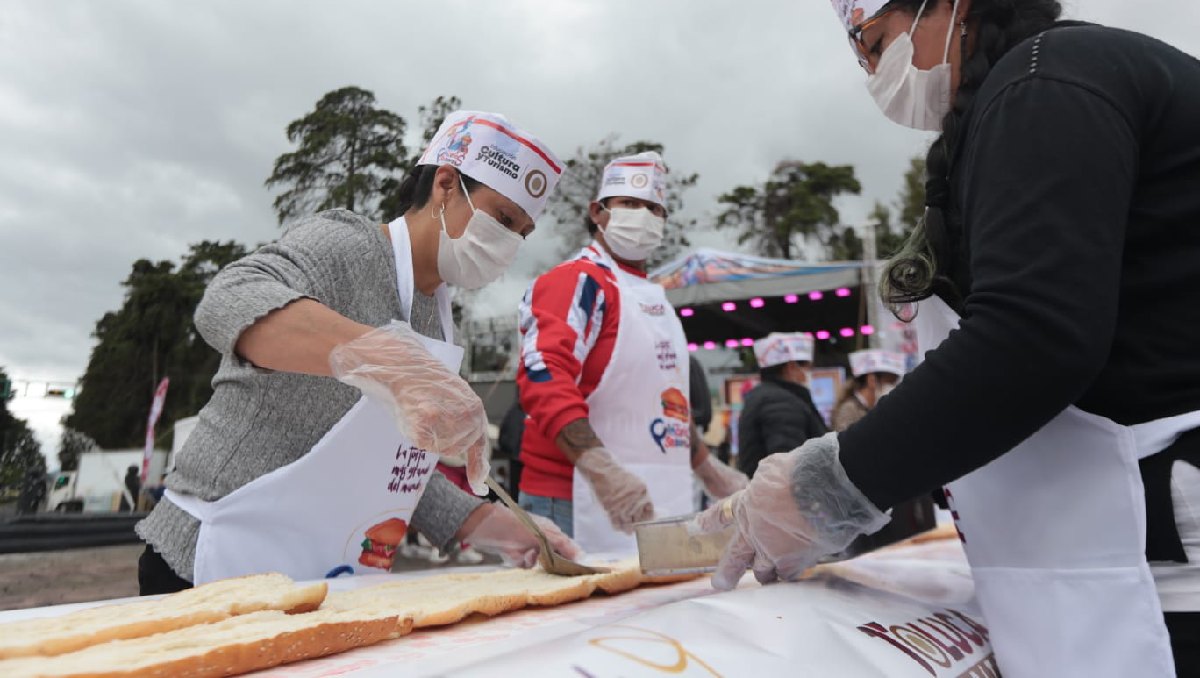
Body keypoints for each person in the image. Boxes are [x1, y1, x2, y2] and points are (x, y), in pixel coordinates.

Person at [694, 1, 1200, 675]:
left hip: (1161, 550)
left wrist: (834, 486)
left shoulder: (1044, 85)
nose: (873, 73)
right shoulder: (1038, 86)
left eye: (874, 45)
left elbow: (1034, 334)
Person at [136, 110, 579, 594]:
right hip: (214, 555)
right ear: (446, 185)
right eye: (503, 218)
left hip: (327, 571)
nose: (511, 243)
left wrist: (496, 524)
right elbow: (228, 297)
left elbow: (387, 468)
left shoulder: (440, 319)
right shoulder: (349, 246)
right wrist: (386, 358)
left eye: (523, 232)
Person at [516, 151, 747, 554]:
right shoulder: (578, 282)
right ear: (598, 212)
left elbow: (665, 402)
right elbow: (543, 373)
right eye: (629, 204)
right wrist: (600, 469)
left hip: (660, 498)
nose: (643, 215)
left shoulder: (652, 296)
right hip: (573, 499)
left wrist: (708, 470)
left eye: (654, 208)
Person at [736, 333, 827, 478]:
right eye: (807, 367)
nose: (810, 374)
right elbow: (787, 467)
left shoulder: (765, 396)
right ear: (791, 367)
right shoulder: (782, 403)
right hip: (783, 498)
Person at [830, 349, 904, 431]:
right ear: (871, 380)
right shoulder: (849, 410)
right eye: (889, 382)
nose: (893, 388)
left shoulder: (872, 408)